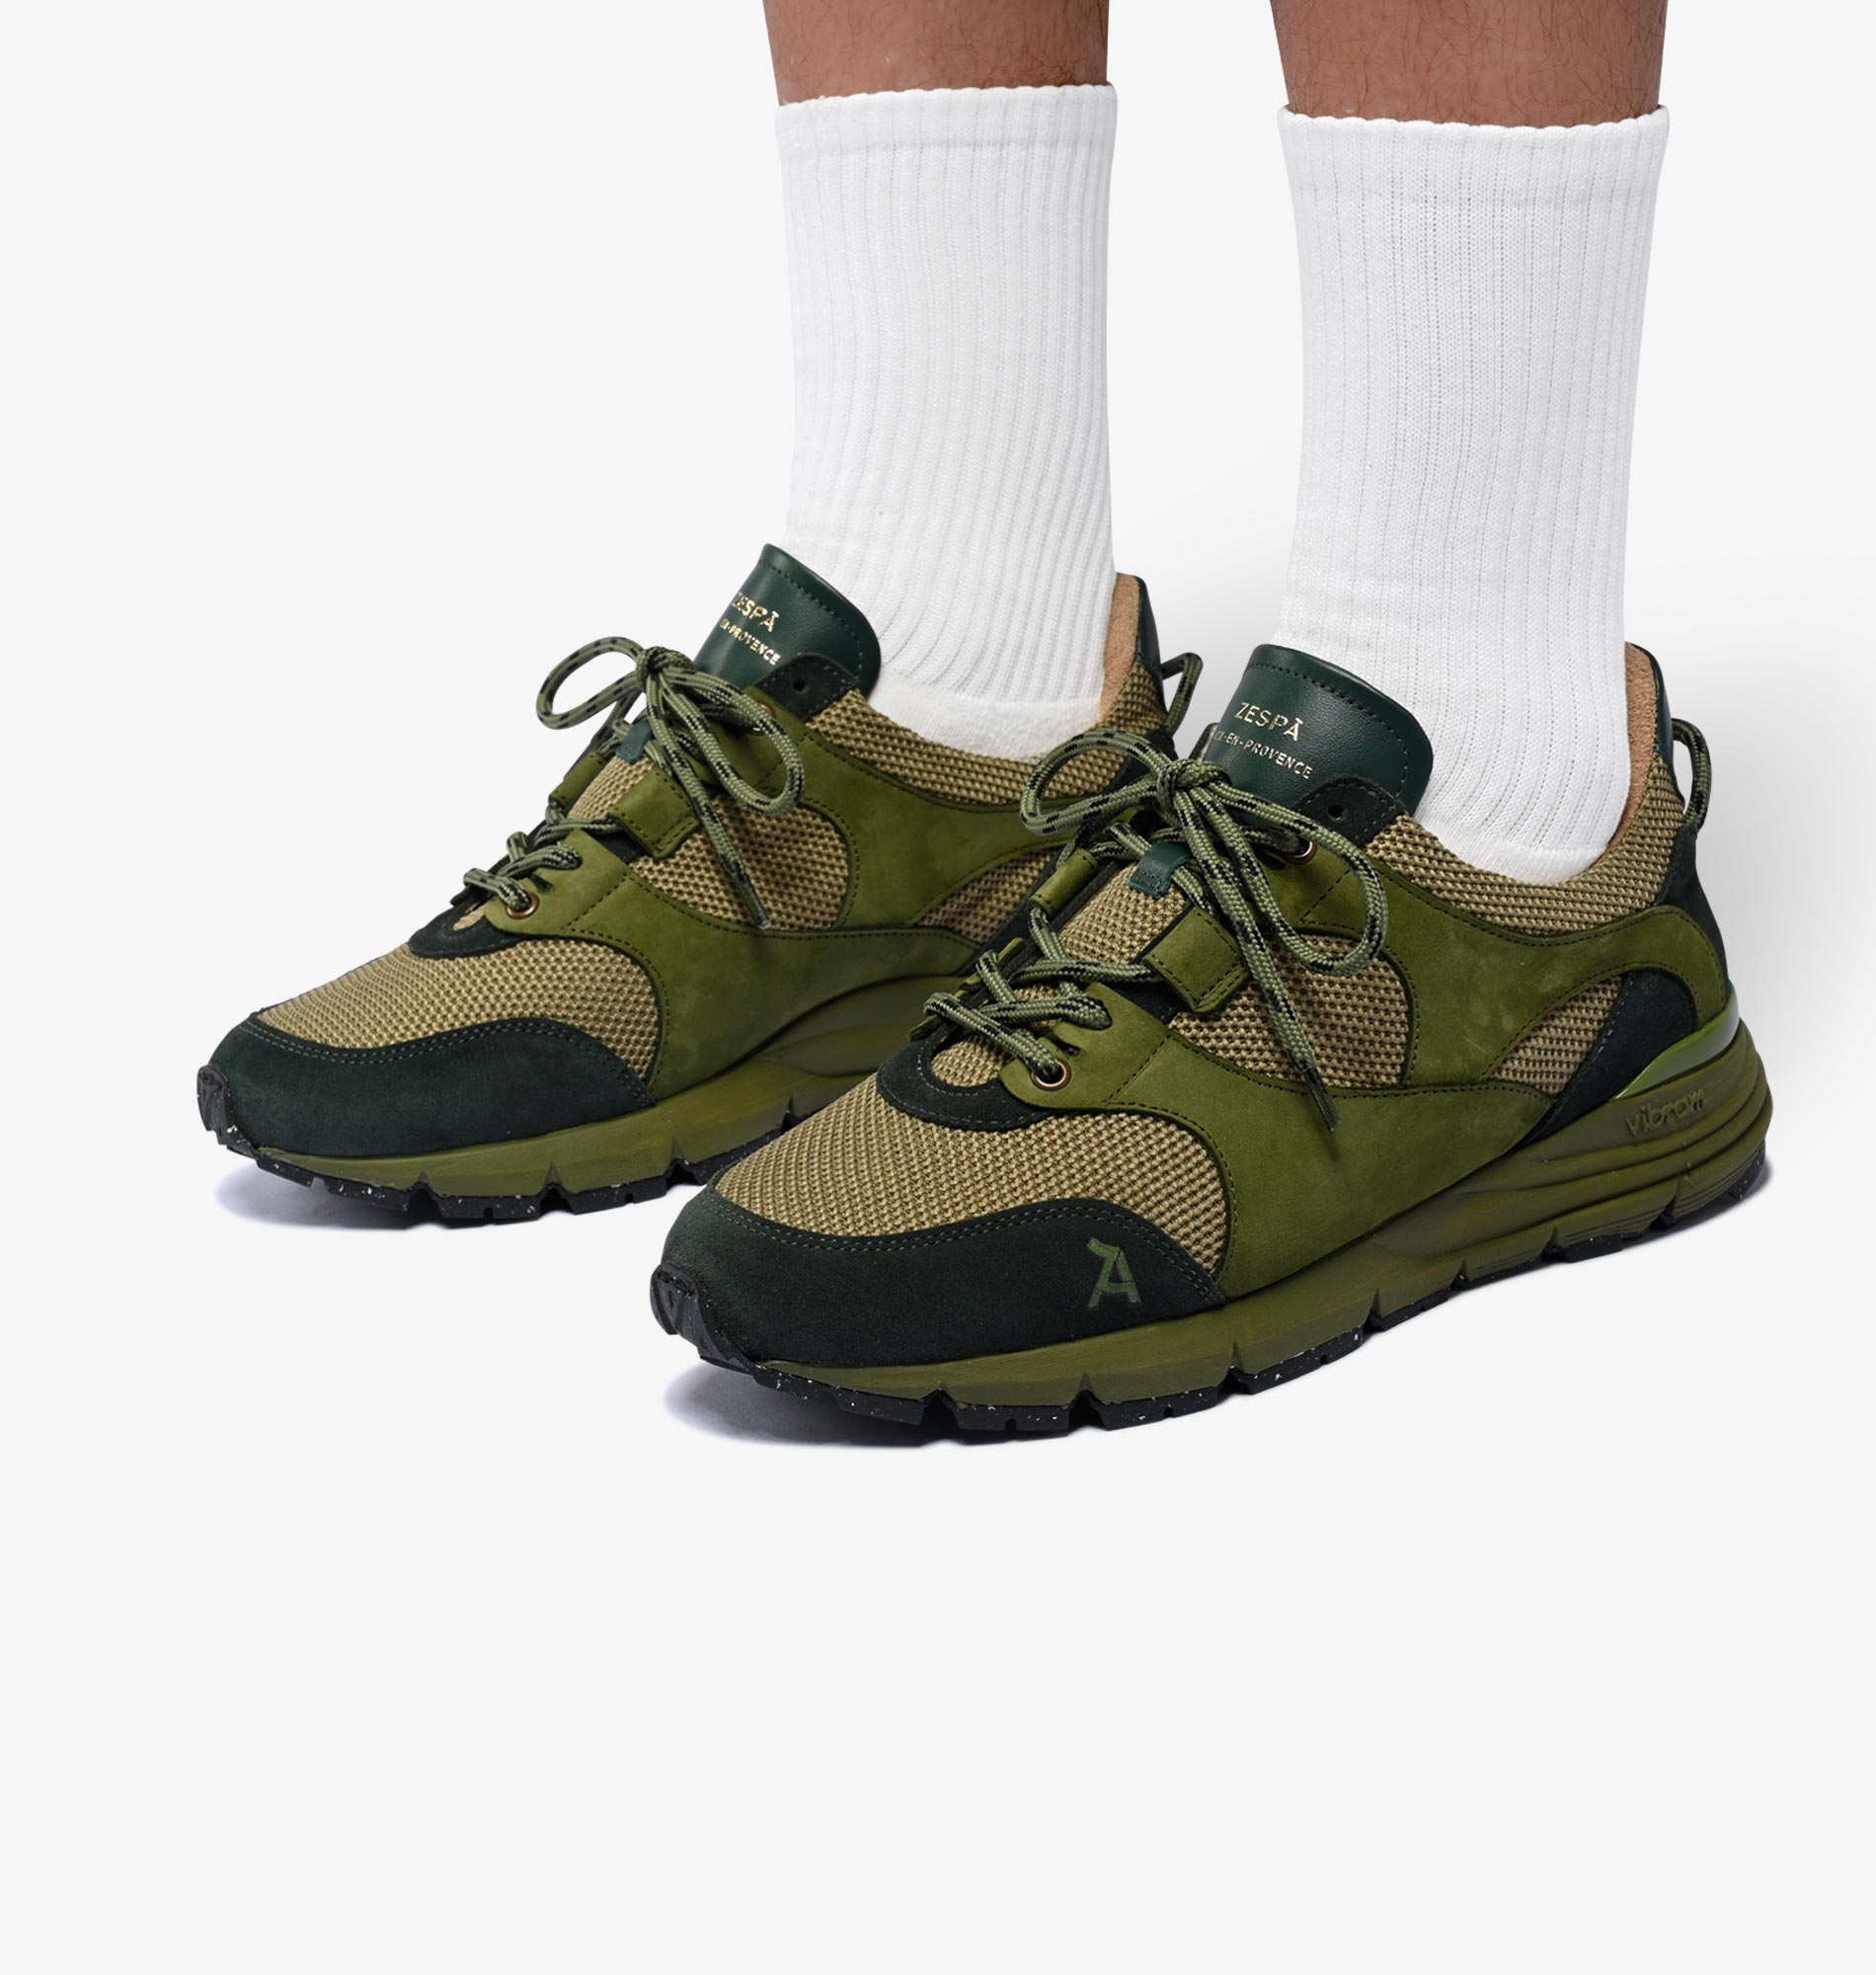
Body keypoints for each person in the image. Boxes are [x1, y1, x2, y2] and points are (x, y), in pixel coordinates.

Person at [202, 3, 1768, 1430]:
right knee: (933, 540)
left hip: (1510, 926)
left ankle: (1512, 821)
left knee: (1442, 663)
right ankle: (966, 699)